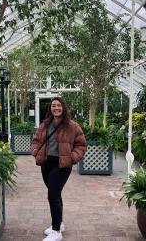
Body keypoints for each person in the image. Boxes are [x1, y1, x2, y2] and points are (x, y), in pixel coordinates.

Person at [31, 97, 87, 241]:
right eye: (53, 106)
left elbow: (81, 145)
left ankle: (56, 232)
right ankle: (59, 223)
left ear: (64, 107)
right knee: (55, 193)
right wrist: (36, 152)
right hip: (46, 163)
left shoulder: (72, 126)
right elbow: (36, 140)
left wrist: (72, 158)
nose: (56, 108)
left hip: (62, 164)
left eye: (59, 105)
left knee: (52, 195)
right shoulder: (45, 125)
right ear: (50, 108)